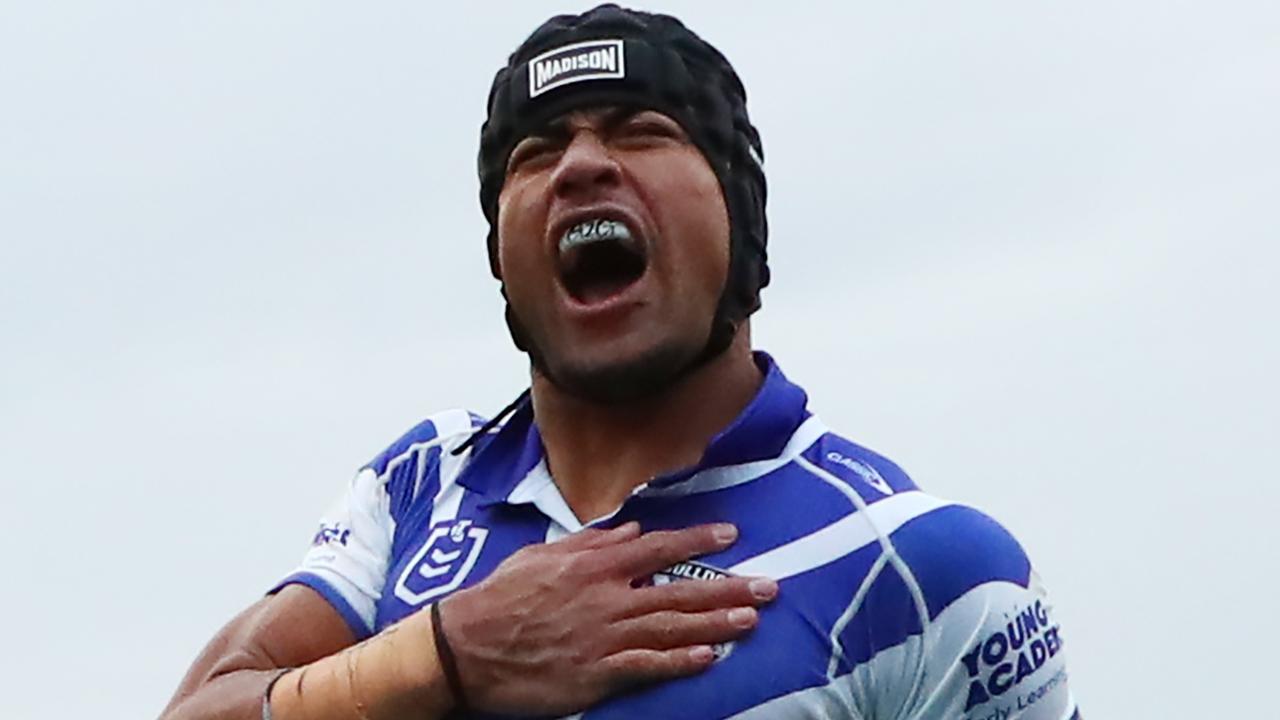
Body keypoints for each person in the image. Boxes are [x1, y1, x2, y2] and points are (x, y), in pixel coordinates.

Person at [161, 5, 1081, 719]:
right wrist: (443, 657)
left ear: (742, 222)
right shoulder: (420, 485)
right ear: (499, 259)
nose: (580, 166)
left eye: (641, 131)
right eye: (538, 150)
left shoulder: (930, 567)